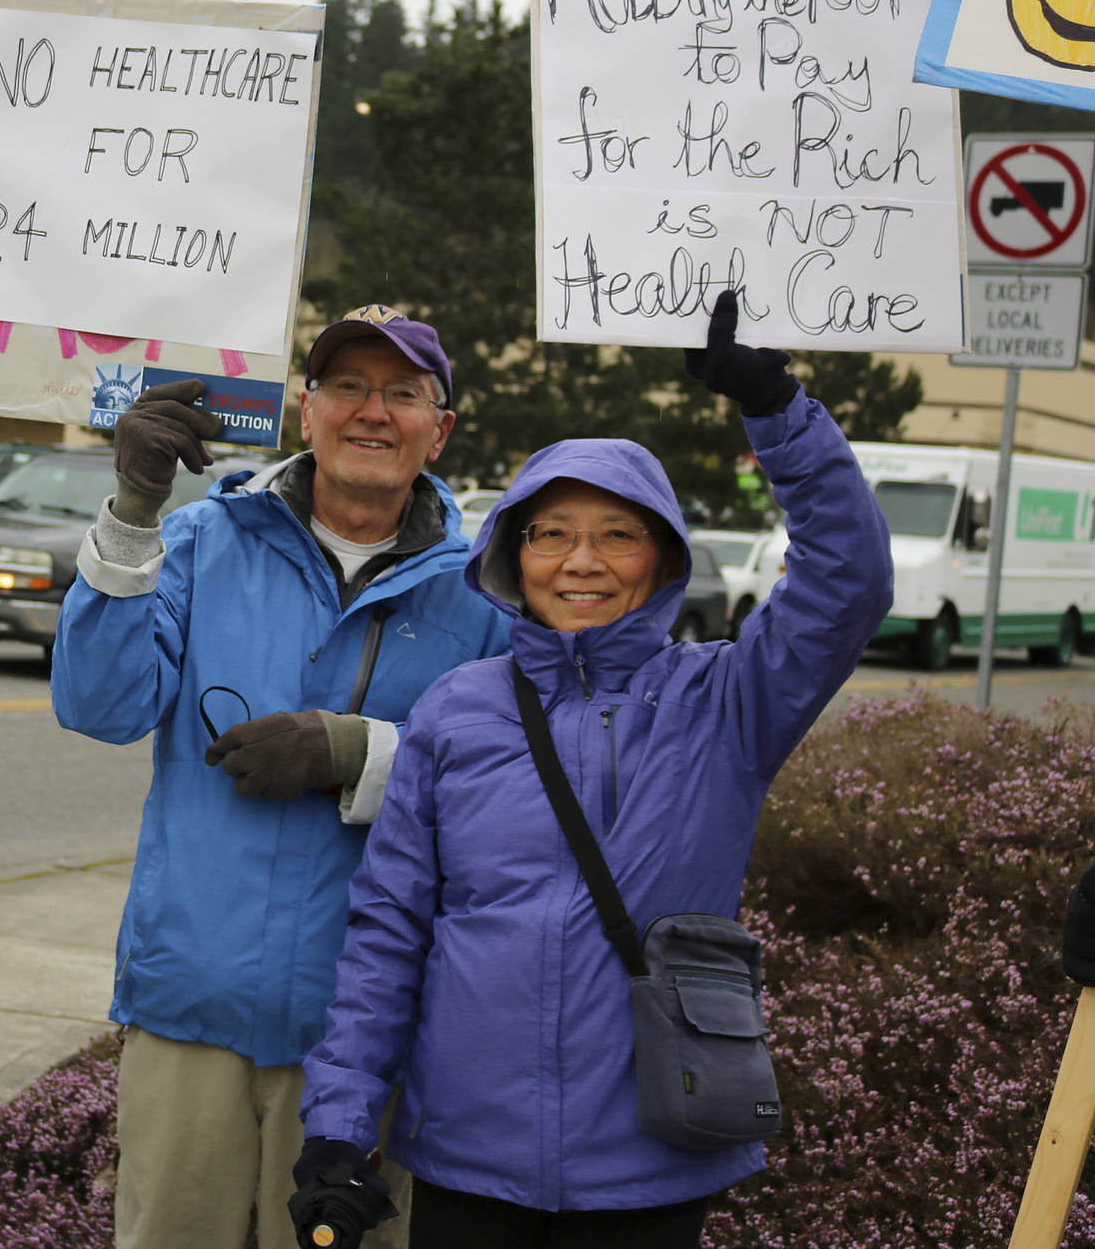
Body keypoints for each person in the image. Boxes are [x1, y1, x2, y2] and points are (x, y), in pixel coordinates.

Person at [292, 294, 894, 1248]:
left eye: (617, 533)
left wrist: (777, 407)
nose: (581, 560)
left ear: (661, 559)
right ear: (512, 555)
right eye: (550, 532)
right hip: (466, 1156)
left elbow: (849, 580)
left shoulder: (729, 701)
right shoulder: (458, 708)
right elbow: (388, 933)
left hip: (651, 1162)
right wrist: (337, 1121)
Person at [51, 306, 512, 1249]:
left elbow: (506, 795)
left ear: (442, 427)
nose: (371, 411)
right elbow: (98, 703)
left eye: (402, 392)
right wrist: (136, 506)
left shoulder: (484, 598)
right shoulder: (198, 544)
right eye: (347, 386)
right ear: (307, 411)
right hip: (191, 1008)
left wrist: (362, 754)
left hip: (369, 1046)